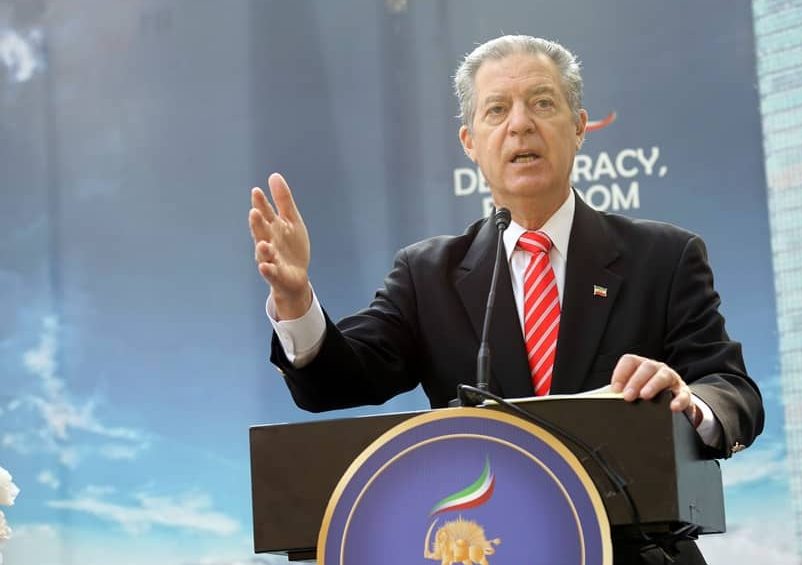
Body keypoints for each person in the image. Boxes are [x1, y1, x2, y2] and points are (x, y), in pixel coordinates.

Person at [249, 34, 763, 564]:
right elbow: (338, 377)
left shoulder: (665, 257)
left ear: (580, 127)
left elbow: (732, 390)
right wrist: (295, 299)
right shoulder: (428, 275)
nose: (520, 124)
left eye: (542, 103)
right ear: (470, 142)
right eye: (498, 110)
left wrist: (688, 404)